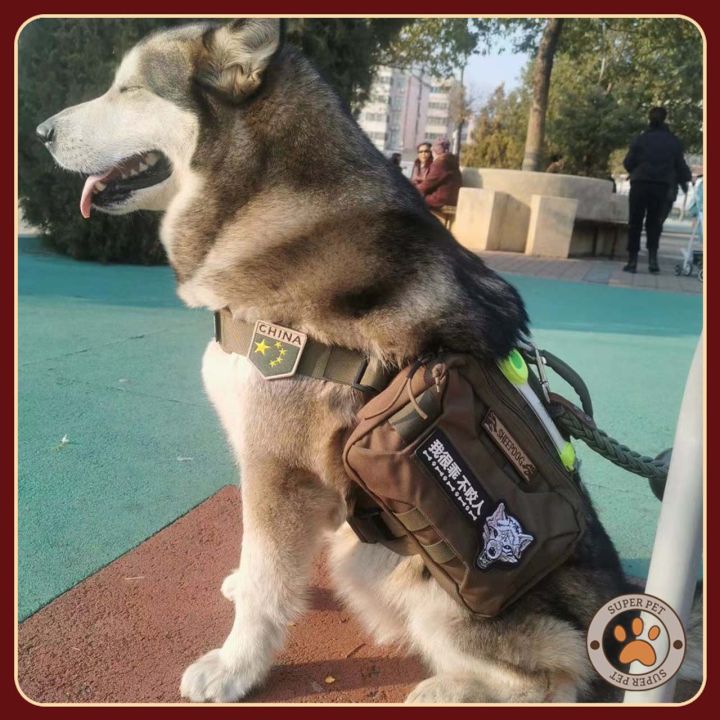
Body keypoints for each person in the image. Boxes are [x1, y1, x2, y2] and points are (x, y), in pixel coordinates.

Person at [622, 106, 692, 274]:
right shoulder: (673, 141)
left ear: (649, 119)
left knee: (635, 222)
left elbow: (628, 162)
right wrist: (684, 180)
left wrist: (636, 171)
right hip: (661, 185)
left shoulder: (641, 139)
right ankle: (653, 260)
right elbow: (680, 165)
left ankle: (632, 261)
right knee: (654, 223)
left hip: (640, 183)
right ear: (665, 119)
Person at [416, 137, 462, 211]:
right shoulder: (450, 160)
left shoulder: (440, 163)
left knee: (412, 200)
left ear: (434, 151)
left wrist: (409, 190)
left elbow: (427, 185)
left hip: (440, 200)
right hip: (450, 199)